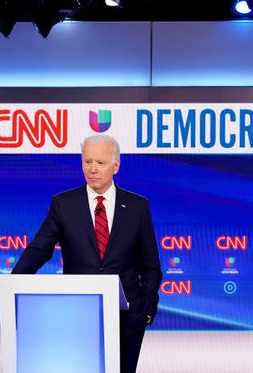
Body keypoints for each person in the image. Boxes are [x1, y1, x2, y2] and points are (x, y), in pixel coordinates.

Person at [10, 134, 162, 373]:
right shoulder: (63, 204)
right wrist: (14, 279)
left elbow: (151, 266)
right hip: (77, 314)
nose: (92, 169)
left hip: (127, 319)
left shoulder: (137, 206)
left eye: (100, 163)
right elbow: (39, 249)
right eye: (87, 161)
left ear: (116, 165)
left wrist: (145, 311)